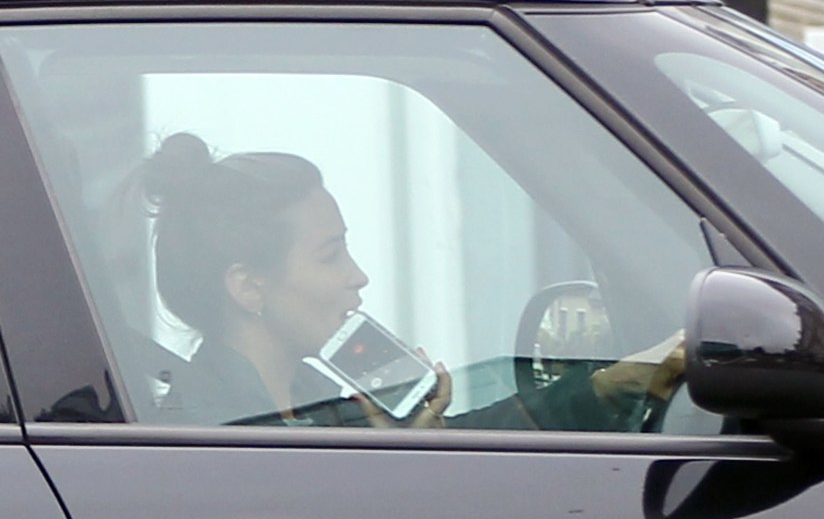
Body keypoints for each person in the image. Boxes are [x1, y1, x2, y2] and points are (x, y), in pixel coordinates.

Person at [136, 133, 684, 430]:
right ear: (248, 286)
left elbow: (473, 451)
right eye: (332, 256)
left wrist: (612, 385)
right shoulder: (211, 432)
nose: (359, 277)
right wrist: (392, 473)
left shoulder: (313, 397)